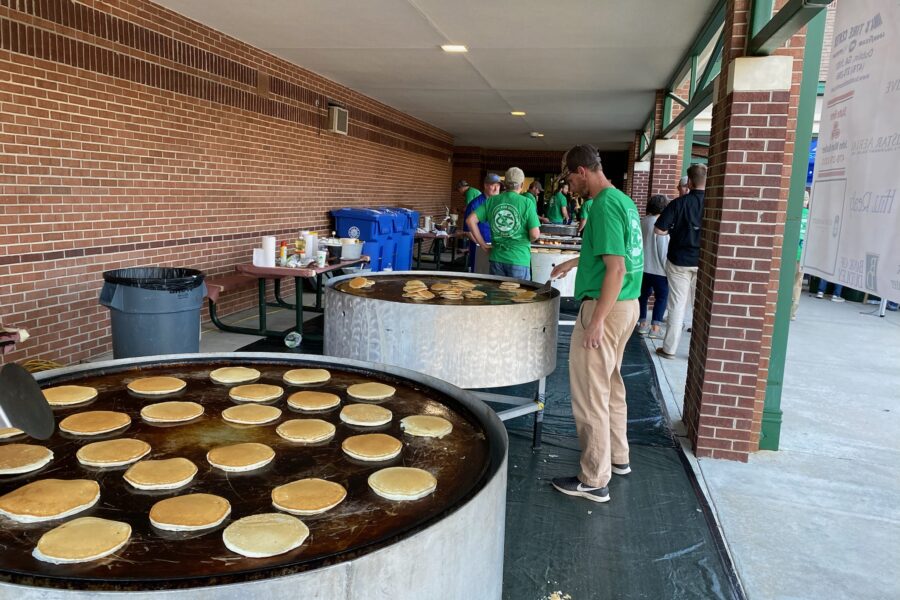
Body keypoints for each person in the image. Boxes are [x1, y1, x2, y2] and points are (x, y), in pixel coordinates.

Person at [548, 145, 643, 503]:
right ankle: (618, 458)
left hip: (607, 308)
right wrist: (574, 262)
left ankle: (593, 479)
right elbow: (614, 257)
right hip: (628, 305)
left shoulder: (601, 206)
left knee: (591, 395)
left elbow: (616, 268)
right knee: (612, 385)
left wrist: (596, 321)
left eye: (570, 178)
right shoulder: (623, 201)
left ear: (582, 171)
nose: (570, 186)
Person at [653, 163, 706, 359]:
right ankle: (699, 351)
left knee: (676, 305)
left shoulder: (679, 203)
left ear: (689, 182)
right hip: (703, 262)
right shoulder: (715, 203)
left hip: (679, 262)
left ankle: (669, 349)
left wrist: (674, 231)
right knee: (699, 306)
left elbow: (659, 230)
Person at [466, 167, 541, 279]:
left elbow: (470, 220)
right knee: (519, 296)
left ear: (505, 184)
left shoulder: (492, 200)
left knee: (498, 295)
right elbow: (535, 234)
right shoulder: (527, 203)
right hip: (519, 258)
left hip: (496, 258)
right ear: (521, 184)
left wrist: (483, 245)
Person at [637, 195, 670, 337]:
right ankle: (655, 328)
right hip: (658, 270)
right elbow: (662, 249)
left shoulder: (643, 221)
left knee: (642, 297)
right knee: (662, 297)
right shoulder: (660, 223)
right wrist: (667, 268)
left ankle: (642, 325)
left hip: (643, 268)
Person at [463, 173, 501, 272]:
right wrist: (482, 245)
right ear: (485, 185)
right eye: (493, 185)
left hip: (496, 248)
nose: (496, 189)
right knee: (479, 278)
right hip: (479, 249)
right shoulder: (475, 204)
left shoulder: (499, 203)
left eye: (498, 185)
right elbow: (468, 232)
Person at [790, 191, 810, 320]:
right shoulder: (810, 216)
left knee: (785, 282)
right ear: (807, 202)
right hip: (802, 255)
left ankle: (777, 308)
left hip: (791, 253)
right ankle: (792, 313)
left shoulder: (792, 215)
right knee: (797, 284)